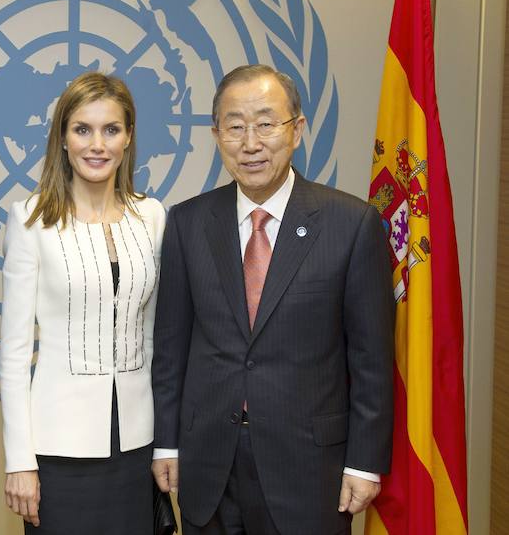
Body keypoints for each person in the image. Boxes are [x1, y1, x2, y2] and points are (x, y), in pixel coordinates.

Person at [151, 64, 394, 535]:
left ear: (296, 130)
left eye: (266, 124)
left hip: (309, 469)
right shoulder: (187, 223)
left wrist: (365, 462)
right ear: (217, 135)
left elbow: (372, 361)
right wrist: (167, 443)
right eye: (235, 127)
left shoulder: (351, 225)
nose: (251, 143)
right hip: (208, 465)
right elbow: (171, 349)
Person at [0, 72, 166, 534]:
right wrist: (20, 461)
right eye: (82, 129)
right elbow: (14, 354)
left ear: (128, 137)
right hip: (57, 449)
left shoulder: (152, 217)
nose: (97, 145)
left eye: (111, 129)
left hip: (137, 444)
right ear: (63, 138)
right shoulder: (30, 220)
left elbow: (154, 339)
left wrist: (166, 444)